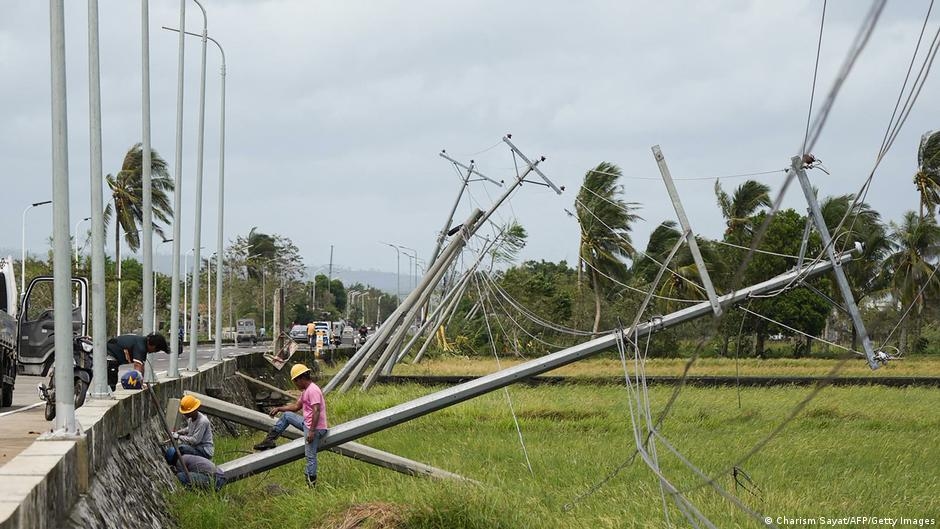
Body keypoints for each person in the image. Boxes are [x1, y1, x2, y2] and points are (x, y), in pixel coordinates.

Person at [252, 363, 327, 487]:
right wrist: (280, 409)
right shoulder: (306, 391)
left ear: (301, 378)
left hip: (315, 428)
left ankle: (311, 485)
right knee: (287, 416)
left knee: (310, 456)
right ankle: (269, 440)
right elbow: (297, 406)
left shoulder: (313, 390)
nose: (295, 385)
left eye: (295, 382)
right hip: (308, 424)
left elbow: (317, 410)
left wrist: (312, 431)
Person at [173, 395, 214, 459]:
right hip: (197, 447)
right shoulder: (191, 419)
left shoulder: (202, 421)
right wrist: (179, 432)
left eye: (187, 412)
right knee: (180, 448)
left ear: (194, 410)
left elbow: (194, 441)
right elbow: (189, 429)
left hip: (204, 451)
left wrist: (178, 437)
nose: (185, 414)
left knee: (182, 449)